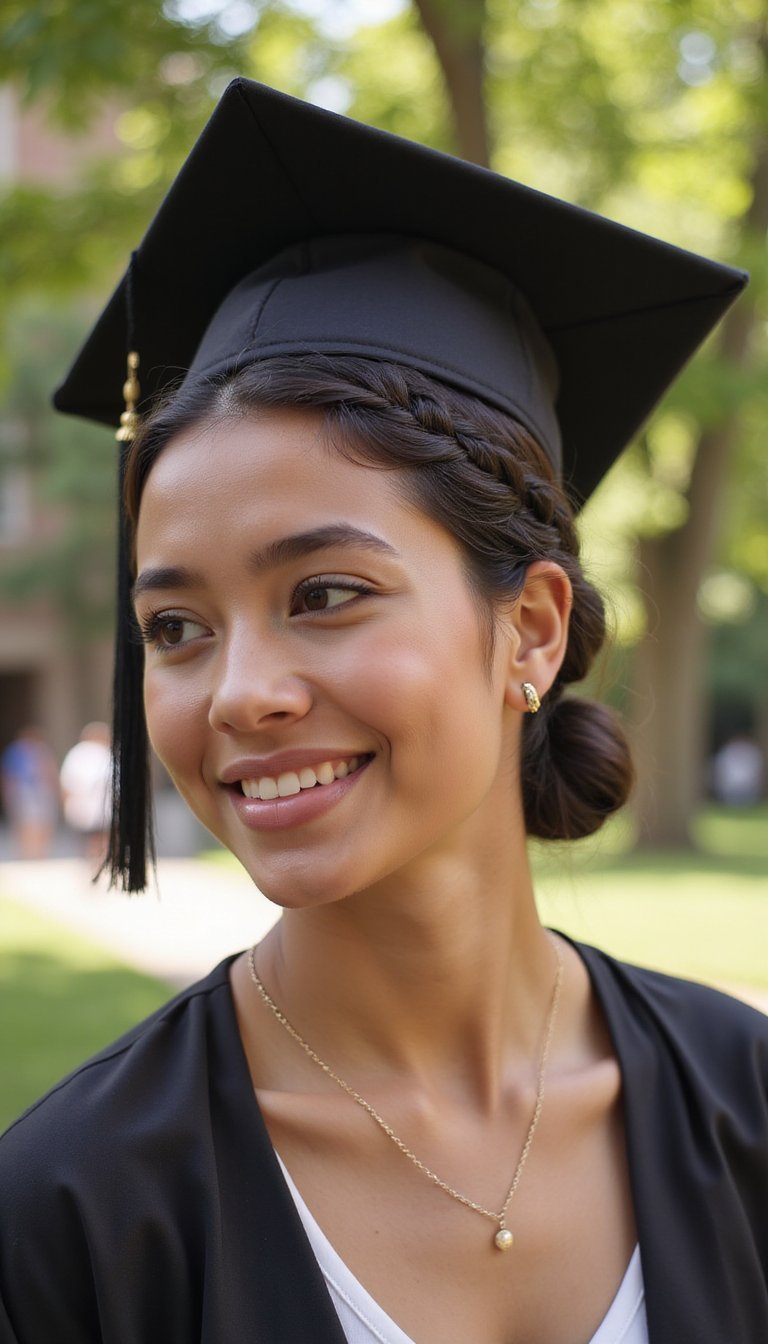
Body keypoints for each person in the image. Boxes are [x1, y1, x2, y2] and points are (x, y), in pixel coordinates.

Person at [0, 79, 766, 1344]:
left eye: (326, 594)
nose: (239, 692)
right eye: (175, 626)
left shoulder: (745, 1104)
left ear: (532, 628)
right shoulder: (67, 1220)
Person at [59, 721, 112, 867]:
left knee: (94, 838)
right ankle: (98, 861)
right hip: (94, 806)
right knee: (98, 837)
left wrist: (66, 805)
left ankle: (95, 861)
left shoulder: (77, 754)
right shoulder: (100, 754)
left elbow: (66, 783)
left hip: (88, 806)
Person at [0, 725, 58, 859]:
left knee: (45, 822)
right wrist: (8, 794)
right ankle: (27, 852)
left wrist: (54, 789)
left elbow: (51, 771)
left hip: (42, 792)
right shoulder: (15, 752)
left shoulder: (43, 751)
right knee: (25, 823)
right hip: (24, 792)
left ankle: (40, 852)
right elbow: (8, 776)